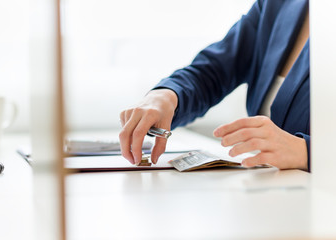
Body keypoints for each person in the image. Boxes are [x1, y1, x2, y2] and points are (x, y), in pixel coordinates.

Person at [119, 0, 310, 171]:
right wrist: (167, 95)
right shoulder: (279, 4)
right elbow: (215, 69)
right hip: (270, 189)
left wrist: (308, 152)